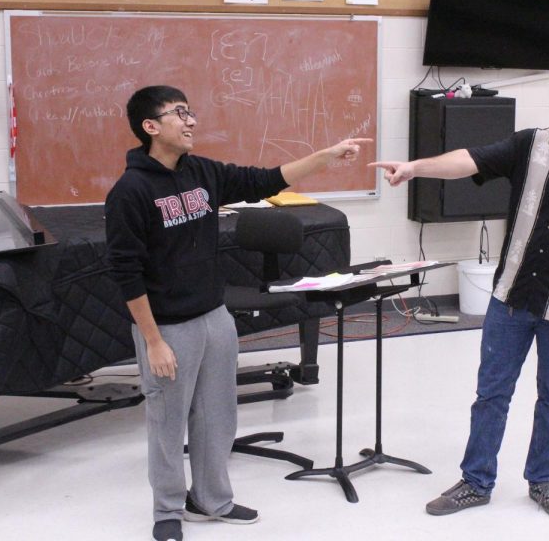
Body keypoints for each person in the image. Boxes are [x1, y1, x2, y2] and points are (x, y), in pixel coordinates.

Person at [370, 61, 549, 521]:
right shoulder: (529, 144)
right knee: (491, 394)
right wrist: (415, 167)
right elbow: (469, 159)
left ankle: (543, 480)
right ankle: (476, 481)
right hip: (511, 299)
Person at [105, 85, 369, 541]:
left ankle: (210, 500)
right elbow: (126, 272)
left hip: (214, 315)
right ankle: (167, 509)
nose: (190, 121)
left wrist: (324, 156)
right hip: (167, 327)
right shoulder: (130, 191)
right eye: (178, 114)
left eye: (190, 111)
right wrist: (152, 341)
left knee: (217, 414)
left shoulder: (203, 171)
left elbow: (265, 179)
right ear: (151, 127)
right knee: (168, 422)